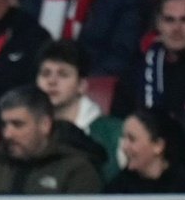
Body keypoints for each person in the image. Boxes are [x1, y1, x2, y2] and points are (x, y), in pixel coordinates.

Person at [111, 0, 185, 145]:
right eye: (169, 20)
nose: (177, 28)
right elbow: (118, 126)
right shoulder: (136, 71)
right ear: (158, 24)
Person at [35, 39, 123, 182]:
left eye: (63, 74)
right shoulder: (29, 131)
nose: (52, 81)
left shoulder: (114, 133)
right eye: (45, 74)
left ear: (81, 85)